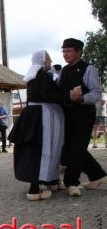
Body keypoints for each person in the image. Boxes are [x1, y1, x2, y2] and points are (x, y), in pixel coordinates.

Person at [9, 51, 65, 201]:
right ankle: (34, 189)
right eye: (48, 59)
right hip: (41, 116)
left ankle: (51, 180)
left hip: (36, 114)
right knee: (39, 148)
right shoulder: (41, 75)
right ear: (42, 61)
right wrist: (67, 96)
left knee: (45, 147)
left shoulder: (36, 75)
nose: (51, 61)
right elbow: (47, 95)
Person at [57, 38, 107, 196]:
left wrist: (81, 98)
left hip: (84, 115)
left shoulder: (88, 69)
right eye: (63, 51)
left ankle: (72, 183)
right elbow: (60, 91)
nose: (65, 54)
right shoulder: (64, 70)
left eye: (69, 51)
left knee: (77, 148)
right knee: (71, 148)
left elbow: (96, 93)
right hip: (68, 115)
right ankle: (97, 175)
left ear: (79, 52)